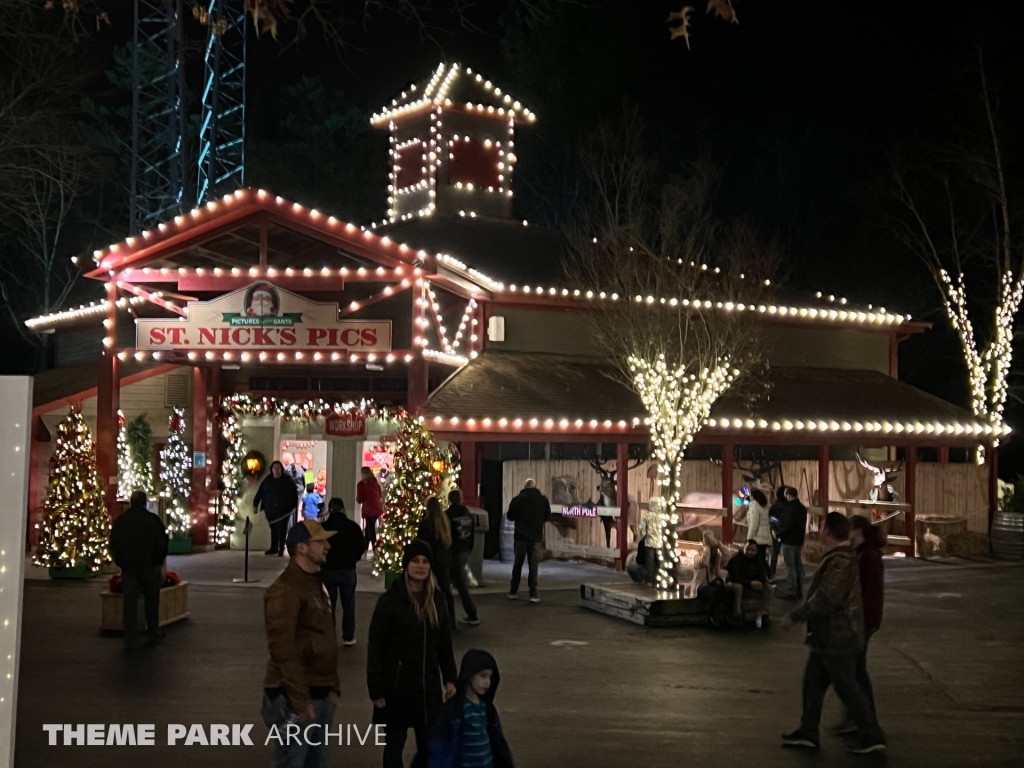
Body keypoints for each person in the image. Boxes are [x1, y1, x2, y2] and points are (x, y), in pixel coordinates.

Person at [780, 512, 886, 754]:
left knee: (847, 686)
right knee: (813, 684)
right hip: (828, 636)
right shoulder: (841, 557)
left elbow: (827, 597)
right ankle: (808, 731)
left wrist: (795, 616)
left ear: (827, 531)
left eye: (821, 526)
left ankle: (871, 735)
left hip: (837, 636)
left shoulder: (841, 560)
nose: (818, 531)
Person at [368, 540, 457, 768]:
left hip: (427, 689)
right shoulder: (389, 601)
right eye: (415, 561)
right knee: (394, 746)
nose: (420, 566)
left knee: (429, 747)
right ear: (406, 565)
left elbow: (444, 643)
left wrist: (449, 679)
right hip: (396, 688)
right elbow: (376, 647)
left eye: (425, 561)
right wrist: (376, 690)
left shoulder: (437, 600)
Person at [261, 519, 339, 768]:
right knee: (292, 761)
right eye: (320, 541)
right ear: (302, 548)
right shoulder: (286, 590)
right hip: (296, 697)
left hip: (318, 691)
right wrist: (300, 699)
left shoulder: (313, 583)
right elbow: (282, 649)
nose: (327, 546)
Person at [835, 515, 886, 734]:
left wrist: (857, 616)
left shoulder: (868, 555)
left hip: (864, 620)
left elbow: (868, 591)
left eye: (850, 531)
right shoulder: (866, 552)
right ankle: (859, 716)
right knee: (856, 670)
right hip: (866, 618)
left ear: (857, 530)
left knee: (855, 672)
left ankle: (863, 718)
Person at [428, 649, 514, 768]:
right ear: (469, 675)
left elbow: (498, 741)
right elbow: (440, 747)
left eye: (490, 677)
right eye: (483, 676)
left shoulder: (487, 709)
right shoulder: (454, 711)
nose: (487, 682)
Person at [109, 490, 169, 651]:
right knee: (152, 601)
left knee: (130, 603)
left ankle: (131, 637)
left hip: (129, 568)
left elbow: (114, 544)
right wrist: (157, 561)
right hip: (149, 567)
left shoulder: (121, 521)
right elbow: (162, 543)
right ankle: (153, 632)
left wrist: (122, 563)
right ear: (145, 503)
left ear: (130, 502)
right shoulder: (153, 521)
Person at [320, 498, 366, 647]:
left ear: (330, 509)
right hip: (348, 570)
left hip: (328, 570)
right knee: (348, 604)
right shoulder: (353, 527)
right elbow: (361, 546)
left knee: (328, 605)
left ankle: (328, 635)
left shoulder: (323, 528)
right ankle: (348, 636)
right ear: (343, 509)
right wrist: (353, 560)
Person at [506, 479, 551, 603]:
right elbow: (548, 517)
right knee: (534, 566)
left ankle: (513, 591)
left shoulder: (517, 499)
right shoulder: (543, 500)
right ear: (535, 486)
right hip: (536, 538)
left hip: (520, 537)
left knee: (517, 565)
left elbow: (510, 516)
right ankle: (533, 594)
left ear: (524, 486)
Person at [418, 498, 456, 629]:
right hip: (444, 560)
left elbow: (423, 543)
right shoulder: (445, 522)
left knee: (428, 590)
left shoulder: (427, 523)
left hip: (432, 561)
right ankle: (451, 619)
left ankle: (430, 618)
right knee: (446, 590)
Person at [446, 489, 480, 626]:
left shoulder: (448, 515)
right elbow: (472, 533)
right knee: (458, 582)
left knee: (457, 583)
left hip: (454, 551)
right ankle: (469, 614)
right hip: (465, 549)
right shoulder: (468, 514)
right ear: (461, 499)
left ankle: (471, 614)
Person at [254, 461, 299, 556]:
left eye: (278, 468)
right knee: (273, 528)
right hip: (270, 510)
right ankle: (274, 548)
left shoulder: (287, 480)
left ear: (281, 469)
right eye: (274, 468)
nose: (276, 470)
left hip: (283, 511)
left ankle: (281, 549)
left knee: (282, 529)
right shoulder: (268, 480)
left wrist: (294, 506)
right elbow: (260, 492)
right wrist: (255, 504)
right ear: (272, 469)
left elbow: (294, 494)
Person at [723, 539, 771, 625]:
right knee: (738, 587)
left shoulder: (758, 559)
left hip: (750, 582)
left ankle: (763, 612)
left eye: (753, 550)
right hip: (736, 583)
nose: (750, 552)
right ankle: (737, 614)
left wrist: (761, 582)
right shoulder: (736, 559)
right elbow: (735, 577)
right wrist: (750, 583)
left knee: (768, 588)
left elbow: (763, 573)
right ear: (743, 548)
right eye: (748, 549)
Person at [777, 486, 808, 600]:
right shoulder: (802, 508)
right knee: (798, 565)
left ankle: (791, 590)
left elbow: (788, 526)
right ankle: (799, 589)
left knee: (790, 566)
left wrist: (779, 533)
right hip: (799, 540)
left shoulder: (789, 509)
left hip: (789, 540)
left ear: (788, 495)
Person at [358, 467, 384, 554]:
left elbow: (360, 499)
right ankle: (366, 547)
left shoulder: (361, 484)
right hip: (377, 508)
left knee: (370, 528)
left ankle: (374, 547)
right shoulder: (376, 483)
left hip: (368, 509)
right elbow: (379, 495)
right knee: (368, 528)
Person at [746, 488, 773, 570]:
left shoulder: (754, 508)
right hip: (764, 537)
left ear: (753, 497)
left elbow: (754, 524)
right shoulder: (764, 507)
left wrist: (750, 538)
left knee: (759, 560)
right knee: (761, 559)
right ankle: (767, 576)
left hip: (757, 538)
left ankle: (765, 578)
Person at [768, 486, 788, 579]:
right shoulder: (788, 506)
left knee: (775, 552)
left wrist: (774, 529)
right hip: (787, 532)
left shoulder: (775, 506)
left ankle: (772, 572)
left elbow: (770, 517)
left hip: (776, 531)